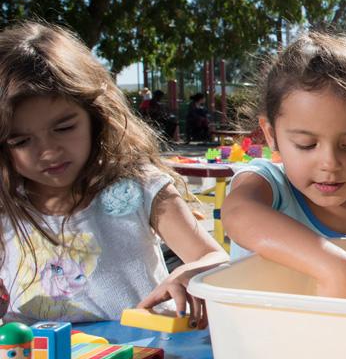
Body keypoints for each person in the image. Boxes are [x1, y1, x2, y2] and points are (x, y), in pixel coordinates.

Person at [0, 22, 228, 326]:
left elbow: (216, 259)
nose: (49, 151)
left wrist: (189, 274)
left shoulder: (138, 185)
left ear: (95, 115)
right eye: (21, 141)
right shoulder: (7, 206)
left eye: (65, 127)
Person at [222, 32, 346, 301]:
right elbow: (238, 213)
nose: (330, 163)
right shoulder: (269, 188)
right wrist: (336, 267)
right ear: (271, 135)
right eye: (306, 144)